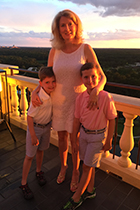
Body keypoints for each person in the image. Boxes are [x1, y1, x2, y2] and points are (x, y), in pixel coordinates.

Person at [32, 9, 107, 192]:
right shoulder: (54, 51)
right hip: (58, 103)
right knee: (62, 138)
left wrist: (96, 92)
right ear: (58, 29)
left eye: (70, 24)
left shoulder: (85, 48)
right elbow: (46, 78)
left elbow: (102, 77)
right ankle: (64, 166)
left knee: (76, 141)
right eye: (62, 25)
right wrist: (36, 90)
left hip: (79, 103)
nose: (67, 28)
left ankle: (75, 171)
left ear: (76, 25)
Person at [61, 62, 117, 210]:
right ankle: (90, 190)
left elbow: (112, 120)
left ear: (99, 78)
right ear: (82, 79)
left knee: (86, 167)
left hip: (97, 137)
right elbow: (77, 119)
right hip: (84, 135)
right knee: (88, 164)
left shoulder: (105, 97)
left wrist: (109, 140)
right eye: (86, 77)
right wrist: (73, 139)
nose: (90, 80)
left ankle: (76, 197)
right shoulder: (80, 98)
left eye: (93, 76)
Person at [19, 66, 56, 200]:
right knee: (29, 156)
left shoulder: (52, 93)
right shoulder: (38, 99)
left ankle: (38, 171)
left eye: (53, 81)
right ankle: (23, 183)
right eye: (47, 82)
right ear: (41, 83)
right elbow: (29, 117)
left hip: (46, 128)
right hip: (35, 128)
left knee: (41, 150)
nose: (51, 85)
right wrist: (33, 134)